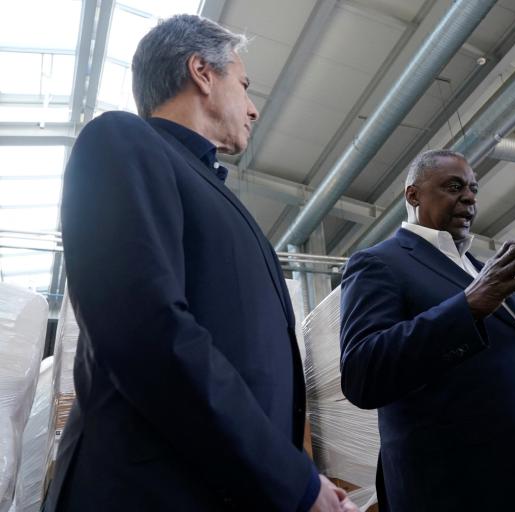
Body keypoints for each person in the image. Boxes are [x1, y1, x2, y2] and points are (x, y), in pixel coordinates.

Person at [45, 15, 356, 512]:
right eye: (245, 84)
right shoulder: (122, 141)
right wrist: (293, 479)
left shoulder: (208, 188)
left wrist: (297, 473)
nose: (253, 110)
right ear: (202, 73)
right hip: (150, 492)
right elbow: (147, 330)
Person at [339, 149, 515, 511]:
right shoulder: (380, 263)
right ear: (413, 195)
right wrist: (466, 307)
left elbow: (507, 378)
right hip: (464, 488)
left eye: (473, 189)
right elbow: (362, 373)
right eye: (454, 186)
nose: (469, 197)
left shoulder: (485, 270)